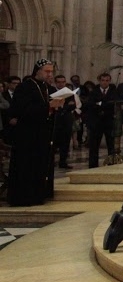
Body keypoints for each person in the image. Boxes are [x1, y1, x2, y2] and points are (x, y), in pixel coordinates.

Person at [7, 59, 66, 206]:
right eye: (47, 71)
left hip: (43, 135)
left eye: (51, 72)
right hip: (27, 136)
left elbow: (48, 109)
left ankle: (41, 194)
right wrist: (48, 106)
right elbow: (22, 110)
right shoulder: (25, 87)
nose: (50, 75)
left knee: (41, 166)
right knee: (27, 166)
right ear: (37, 71)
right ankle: (25, 198)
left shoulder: (47, 88)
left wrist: (56, 106)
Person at [83, 72, 120, 168]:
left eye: (107, 80)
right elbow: (90, 104)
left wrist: (100, 104)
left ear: (109, 81)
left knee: (111, 145)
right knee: (94, 145)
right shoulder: (94, 92)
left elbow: (113, 103)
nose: (105, 82)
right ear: (99, 81)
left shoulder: (113, 91)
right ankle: (93, 165)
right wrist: (103, 104)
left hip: (109, 121)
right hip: (96, 122)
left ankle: (111, 163)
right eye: (103, 80)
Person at [51, 74, 79, 170]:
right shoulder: (51, 91)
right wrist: (63, 107)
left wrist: (62, 107)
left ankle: (63, 161)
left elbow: (72, 105)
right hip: (55, 120)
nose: (61, 84)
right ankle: (50, 162)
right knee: (53, 142)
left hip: (66, 119)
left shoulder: (68, 92)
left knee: (65, 142)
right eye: (59, 82)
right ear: (55, 82)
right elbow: (52, 105)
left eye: (63, 82)